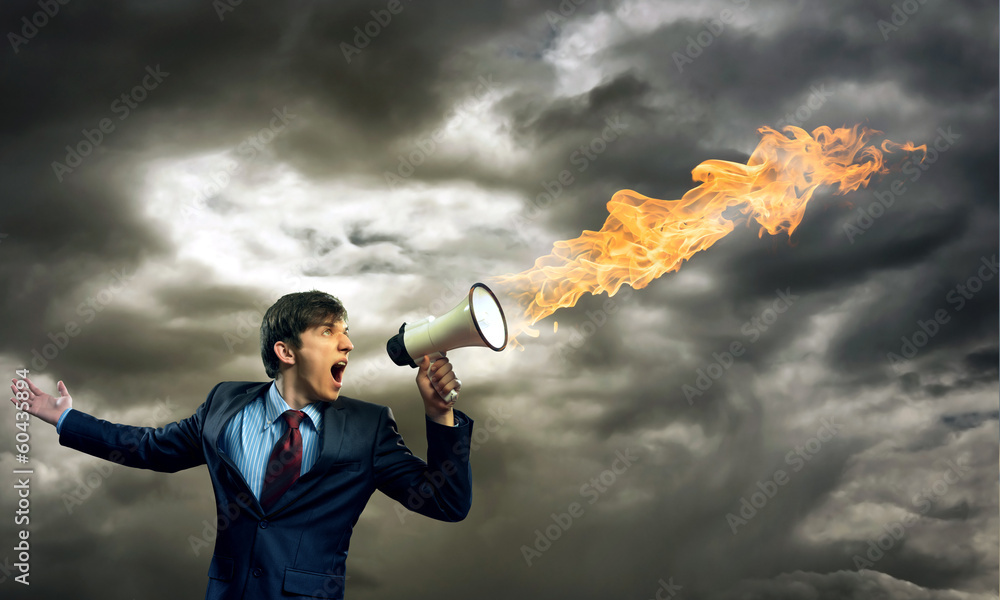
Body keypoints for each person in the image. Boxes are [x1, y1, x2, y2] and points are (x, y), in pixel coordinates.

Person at [9, 290, 473, 600]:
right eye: (329, 332)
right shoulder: (224, 403)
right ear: (286, 351)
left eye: (345, 332)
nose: (347, 344)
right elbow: (148, 448)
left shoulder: (368, 427)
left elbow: (446, 503)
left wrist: (439, 415)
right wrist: (64, 417)